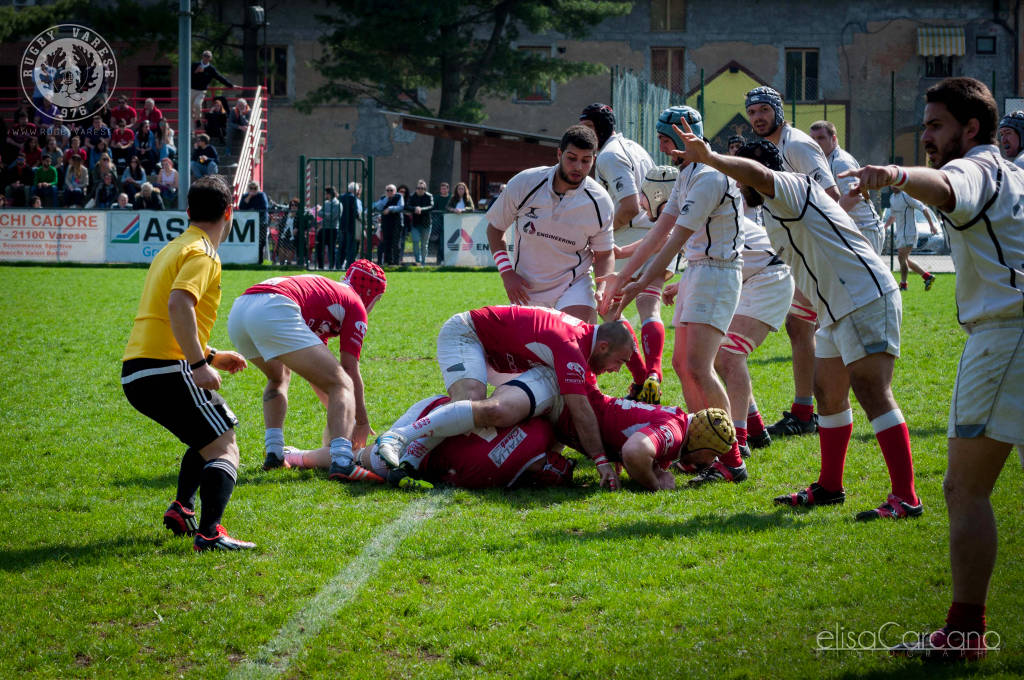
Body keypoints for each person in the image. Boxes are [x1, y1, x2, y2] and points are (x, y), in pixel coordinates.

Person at [839, 77, 1023, 662]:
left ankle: (965, 634)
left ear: (971, 128)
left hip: (1006, 338)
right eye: (925, 126)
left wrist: (892, 174)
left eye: (936, 126)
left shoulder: (977, 168)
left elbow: (947, 186)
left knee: (964, 488)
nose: (927, 137)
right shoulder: (1016, 174)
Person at [669, 119, 921, 522]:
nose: (739, 186)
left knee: (873, 392)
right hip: (836, 307)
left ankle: (906, 497)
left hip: (864, 297)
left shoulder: (790, 185)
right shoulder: (771, 210)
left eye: (741, 177)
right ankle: (830, 487)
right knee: (827, 393)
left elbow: (758, 174)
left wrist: (712, 158)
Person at [603, 106, 750, 486]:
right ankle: (705, 449)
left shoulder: (709, 177)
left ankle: (731, 458)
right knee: (683, 365)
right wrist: (624, 278)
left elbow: (675, 240)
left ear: (685, 136)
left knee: (699, 366)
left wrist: (640, 282)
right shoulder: (687, 173)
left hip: (717, 272)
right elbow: (658, 233)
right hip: (701, 270)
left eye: (666, 139)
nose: (663, 146)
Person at [121, 175, 253, 552]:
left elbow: (166, 318)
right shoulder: (203, 252)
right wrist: (197, 364)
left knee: (210, 432)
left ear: (188, 211)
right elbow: (179, 305)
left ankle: (182, 508)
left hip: (139, 368)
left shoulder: (174, 247)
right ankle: (210, 534)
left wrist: (211, 356)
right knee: (225, 446)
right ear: (229, 212)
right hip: (167, 367)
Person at [376, 305, 637, 491]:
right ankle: (399, 437)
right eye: (620, 361)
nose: (617, 370)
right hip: (468, 334)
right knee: (473, 399)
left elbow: (588, 407)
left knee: (492, 412)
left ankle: (409, 463)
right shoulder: (571, 346)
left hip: (499, 356)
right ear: (603, 346)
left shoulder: (582, 343)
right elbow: (580, 411)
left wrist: (608, 452)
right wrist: (601, 459)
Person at [226, 261, 387, 481]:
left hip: (240, 310)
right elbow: (349, 368)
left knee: (278, 377)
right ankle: (343, 461)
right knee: (343, 383)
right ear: (371, 295)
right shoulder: (355, 303)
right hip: (274, 307)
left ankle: (274, 453)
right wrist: (361, 421)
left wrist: (341, 411)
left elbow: (317, 376)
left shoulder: (330, 294)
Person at [745, 86, 839, 441]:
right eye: (752, 112)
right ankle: (807, 412)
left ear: (779, 111)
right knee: (801, 326)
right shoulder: (775, 147)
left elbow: (831, 196)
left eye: (764, 110)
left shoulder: (797, 145)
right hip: (803, 253)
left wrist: (821, 248)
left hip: (820, 254)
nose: (758, 118)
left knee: (820, 330)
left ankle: (816, 412)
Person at [579, 103, 666, 403]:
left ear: (594, 128)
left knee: (609, 311)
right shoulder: (635, 148)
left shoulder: (608, 155)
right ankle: (653, 375)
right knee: (650, 307)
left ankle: (642, 380)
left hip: (629, 240)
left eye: (586, 128)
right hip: (656, 236)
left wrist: (601, 232)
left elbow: (628, 206)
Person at [486, 124, 615, 324]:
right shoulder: (525, 183)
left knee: (576, 338)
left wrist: (602, 288)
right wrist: (507, 272)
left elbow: (605, 253)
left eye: (586, 160)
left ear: (594, 160)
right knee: (533, 345)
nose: (578, 167)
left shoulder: (600, 201)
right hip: (527, 290)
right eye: (572, 158)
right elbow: (495, 228)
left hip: (574, 285)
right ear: (559, 154)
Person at [809, 119, 886, 253]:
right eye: (812, 138)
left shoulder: (841, 162)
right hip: (848, 230)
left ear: (834, 139)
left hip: (864, 230)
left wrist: (826, 220)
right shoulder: (824, 162)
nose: (816, 142)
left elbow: (854, 196)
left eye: (821, 138)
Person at [883, 186, 939, 290]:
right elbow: (893, 216)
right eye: (892, 184)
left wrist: (931, 225)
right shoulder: (892, 198)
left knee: (901, 258)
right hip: (900, 234)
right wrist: (885, 227)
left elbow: (924, 208)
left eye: (896, 183)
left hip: (910, 233)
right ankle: (927, 277)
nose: (894, 186)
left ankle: (903, 285)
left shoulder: (907, 196)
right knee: (905, 260)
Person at [190, 50, 235, 126]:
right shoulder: (195, 65)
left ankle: (198, 119)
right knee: (189, 109)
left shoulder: (211, 69)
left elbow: (219, 77)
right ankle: (192, 129)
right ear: (202, 56)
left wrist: (230, 85)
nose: (206, 58)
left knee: (197, 104)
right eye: (205, 55)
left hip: (201, 91)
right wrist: (195, 72)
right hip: (191, 89)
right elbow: (188, 76)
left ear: (210, 58)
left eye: (208, 56)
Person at [238, 181, 270, 264]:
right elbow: (241, 207)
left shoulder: (261, 195)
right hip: (249, 223)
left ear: (258, 188)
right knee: (249, 241)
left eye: (255, 188)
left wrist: (252, 210)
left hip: (261, 223)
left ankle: (259, 261)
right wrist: (249, 197)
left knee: (261, 242)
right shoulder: (245, 196)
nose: (253, 190)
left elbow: (264, 207)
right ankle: (248, 260)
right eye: (251, 188)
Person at [372, 184, 403, 266]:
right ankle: (387, 262)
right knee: (386, 242)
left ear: (395, 191)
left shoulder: (399, 196)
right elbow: (378, 207)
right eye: (387, 190)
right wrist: (386, 199)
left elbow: (401, 207)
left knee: (396, 243)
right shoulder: (383, 198)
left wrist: (390, 208)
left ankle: (396, 262)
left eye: (391, 190)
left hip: (396, 223)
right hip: (386, 223)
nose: (389, 192)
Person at [405, 179, 433, 266]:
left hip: (426, 224)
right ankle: (418, 260)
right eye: (418, 188)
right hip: (415, 224)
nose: (420, 190)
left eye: (422, 188)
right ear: (416, 188)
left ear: (425, 189)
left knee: (424, 244)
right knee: (415, 241)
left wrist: (421, 209)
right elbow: (407, 206)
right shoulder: (412, 196)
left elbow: (431, 206)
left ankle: (423, 263)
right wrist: (415, 208)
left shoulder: (429, 196)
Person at [317, 185, 343, 270]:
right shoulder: (326, 203)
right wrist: (327, 214)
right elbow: (319, 213)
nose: (325, 195)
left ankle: (331, 266)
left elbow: (334, 217)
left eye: (326, 193)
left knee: (331, 249)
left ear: (329, 194)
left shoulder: (338, 204)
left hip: (333, 229)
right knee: (319, 247)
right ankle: (320, 266)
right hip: (324, 228)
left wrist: (325, 214)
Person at [338, 182, 363, 268]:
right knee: (351, 246)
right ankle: (349, 265)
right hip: (352, 225)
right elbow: (356, 212)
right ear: (356, 190)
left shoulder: (341, 197)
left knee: (342, 246)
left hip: (342, 225)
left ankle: (338, 264)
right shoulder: (353, 198)